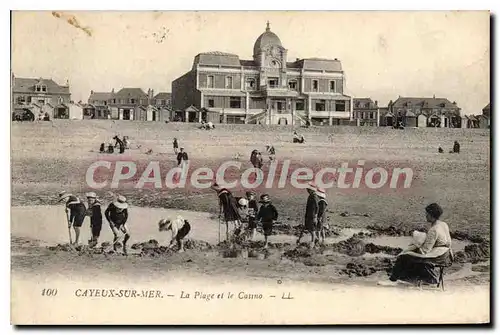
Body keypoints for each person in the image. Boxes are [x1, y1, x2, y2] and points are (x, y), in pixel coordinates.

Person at [386, 203, 454, 285]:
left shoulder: (434, 230)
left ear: (431, 215)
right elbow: (449, 243)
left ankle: (394, 280)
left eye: (427, 214)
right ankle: (416, 278)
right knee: (412, 256)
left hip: (439, 257)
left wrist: (414, 248)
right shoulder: (443, 224)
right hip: (447, 255)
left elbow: (424, 251)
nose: (426, 216)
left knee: (404, 257)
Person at [297, 183, 319, 248]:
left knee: (312, 229)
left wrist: (315, 216)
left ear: (311, 190)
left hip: (312, 216)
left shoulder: (314, 196)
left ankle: (313, 242)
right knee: (306, 228)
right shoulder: (311, 196)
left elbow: (317, 207)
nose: (307, 190)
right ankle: (300, 240)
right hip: (309, 215)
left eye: (308, 189)